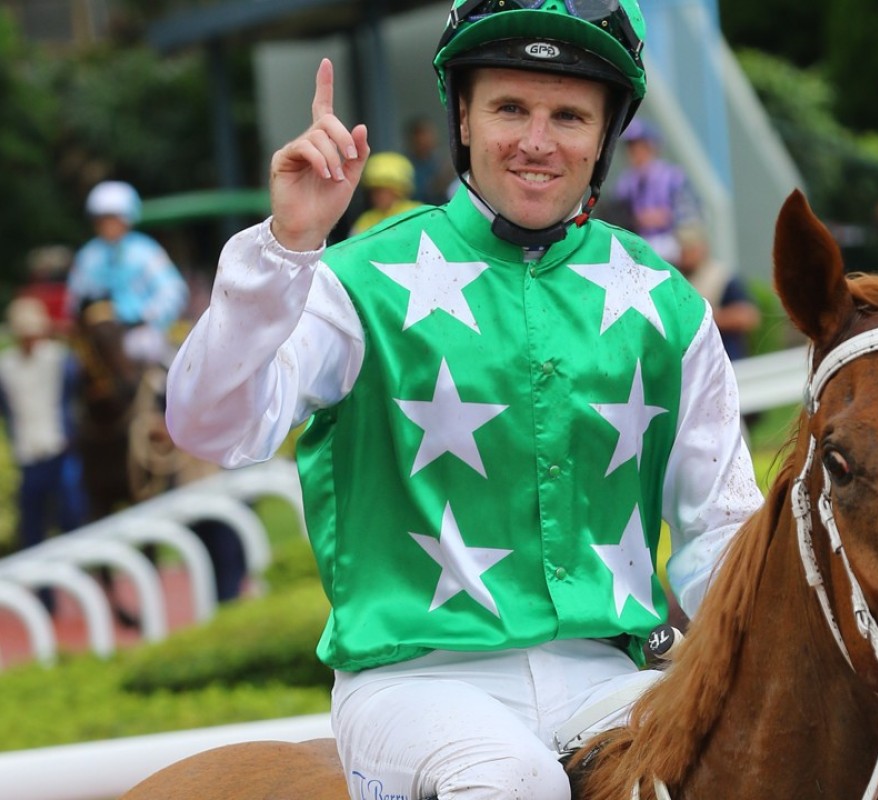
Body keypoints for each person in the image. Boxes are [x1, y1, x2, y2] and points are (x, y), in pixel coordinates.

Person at [164, 1, 762, 799]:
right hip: (414, 682)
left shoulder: (667, 303)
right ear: (464, 121)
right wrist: (287, 247)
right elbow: (211, 425)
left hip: (605, 676)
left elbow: (719, 532)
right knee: (510, 781)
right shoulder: (357, 281)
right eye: (510, 108)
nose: (538, 141)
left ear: (605, 138)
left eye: (570, 116)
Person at [0, 297, 88, 610]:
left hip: (59, 450)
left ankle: (81, 584)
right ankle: (46, 600)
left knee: (71, 517)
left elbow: (83, 384)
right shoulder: (6, 367)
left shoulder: (60, 359)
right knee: (33, 528)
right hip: (28, 455)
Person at [67, 180, 189, 366]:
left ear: (127, 218)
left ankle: (163, 394)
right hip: (96, 337)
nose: (107, 225)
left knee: (154, 354)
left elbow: (173, 291)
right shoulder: (87, 256)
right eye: (101, 219)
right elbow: (73, 299)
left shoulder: (146, 251)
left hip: (140, 331)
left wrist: (142, 315)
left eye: (112, 218)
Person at [611, 117, 702, 262]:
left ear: (652, 147)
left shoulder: (673, 176)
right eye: (631, 148)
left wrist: (667, 217)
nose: (635, 153)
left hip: (672, 246)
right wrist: (636, 219)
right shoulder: (625, 183)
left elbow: (692, 215)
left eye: (640, 147)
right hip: (637, 247)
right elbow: (617, 218)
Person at [672, 224, 760, 364]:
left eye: (690, 247)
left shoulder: (721, 277)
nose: (685, 253)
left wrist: (705, 319)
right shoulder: (675, 281)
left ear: (702, 248)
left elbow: (748, 316)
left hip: (727, 358)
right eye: (682, 248)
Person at [350, 152, 423, 236]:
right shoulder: (365, 221)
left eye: (383, 191)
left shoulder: (417, 213)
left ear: (398, 191)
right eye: (374, 190)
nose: (377, 196)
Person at [405, 114, 456, 205]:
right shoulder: (406, 165)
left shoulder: (440, 161)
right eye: (423, 134)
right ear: (414, 138)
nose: (428, 138)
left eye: (431, 133)